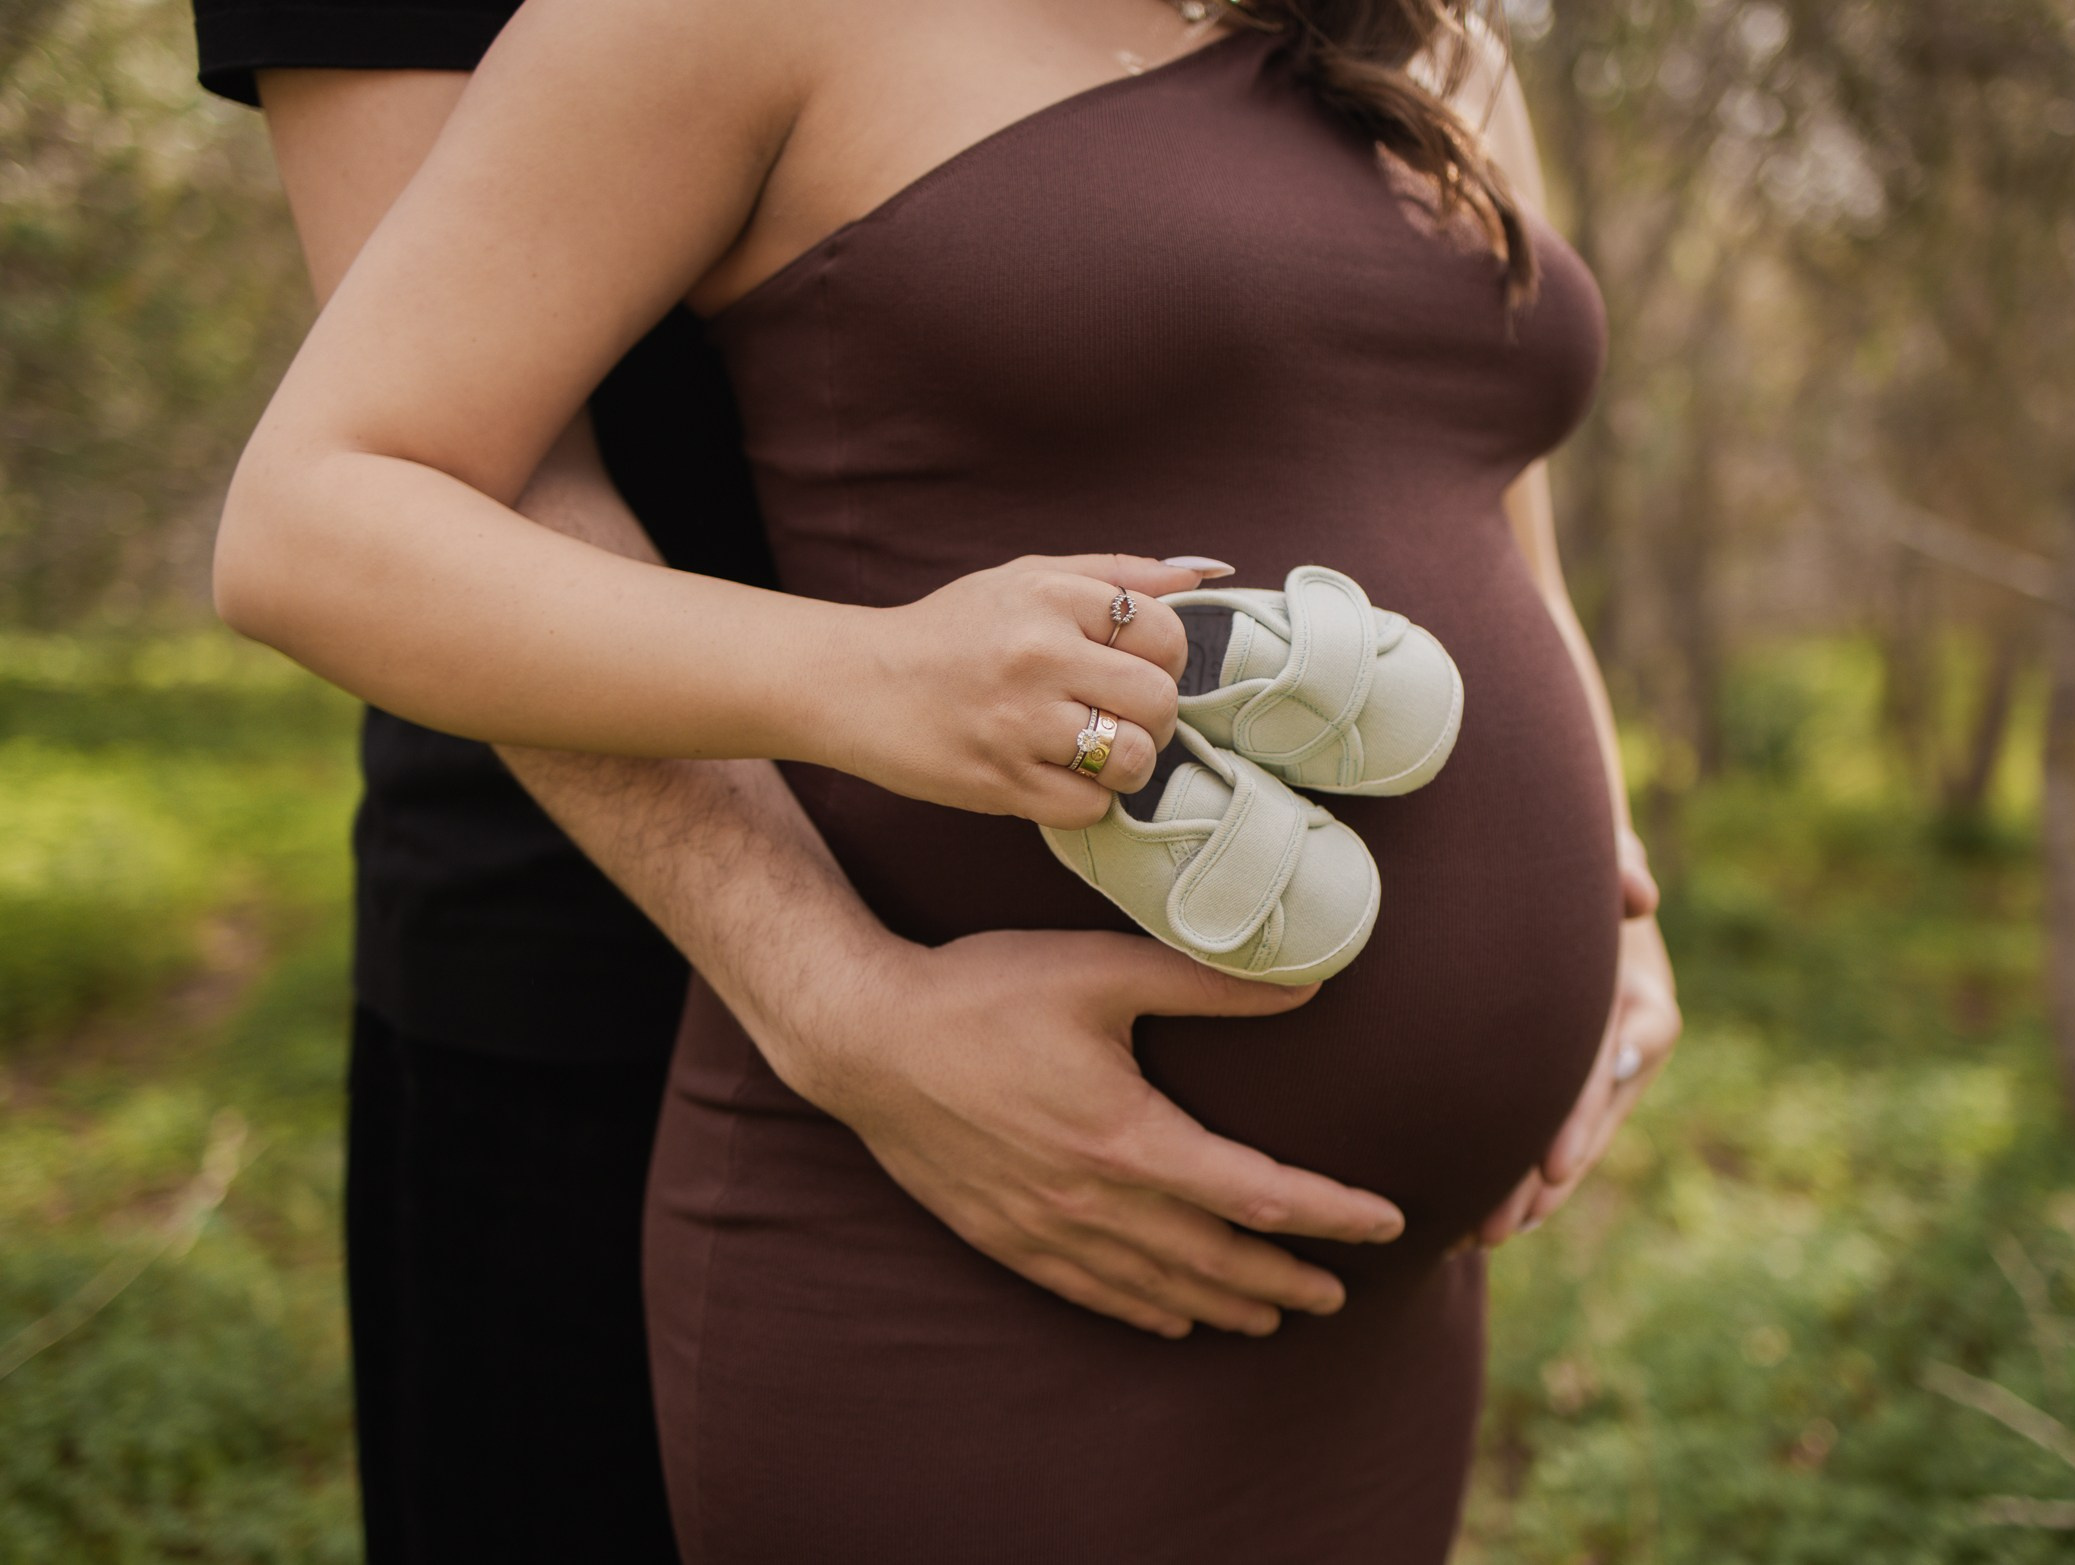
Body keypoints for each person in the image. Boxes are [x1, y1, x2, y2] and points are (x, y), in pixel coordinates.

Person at [208, 0, 1682, 1558]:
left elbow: (1489, 504)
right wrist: (871, 691)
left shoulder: (1431, 34)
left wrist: (1612, 887)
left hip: (1379, 1305)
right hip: (953, 1239)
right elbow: (329, 512)